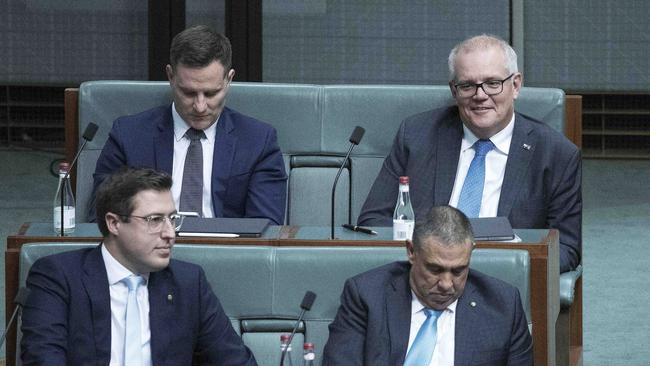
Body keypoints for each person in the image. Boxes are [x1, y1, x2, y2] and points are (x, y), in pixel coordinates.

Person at [358, 34, 581, 272]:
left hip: (503, 283)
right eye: (467, 85)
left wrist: (509, 267)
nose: (480, 95)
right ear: (454, 90)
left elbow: (566, 248)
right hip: (425, 277)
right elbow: (374, 222)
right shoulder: (416, 136)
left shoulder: (556, 154)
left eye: (493, 83)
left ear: (515, 85)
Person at [21, 167, 257, 365]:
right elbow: (42, 358)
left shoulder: (188, 282)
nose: (170, 233)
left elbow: (235, 361)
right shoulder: (58, 276)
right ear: (114, 223)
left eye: (172, 219)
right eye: (154, 220)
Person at [90, 25, 287, 224]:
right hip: (146, 250)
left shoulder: (258, 141)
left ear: (229, 79)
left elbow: (265, 228)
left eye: (211, 93)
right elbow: (104, 219)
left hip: (225, 252)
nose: (200, 106)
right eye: (189, 93)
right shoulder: (128, 135)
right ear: (170, 76)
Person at [322, 205, 532, 365]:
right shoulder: (367, 295)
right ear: (411, 251)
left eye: (458, 271)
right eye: (435, 269)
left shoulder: (503, 305)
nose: (446, 284)